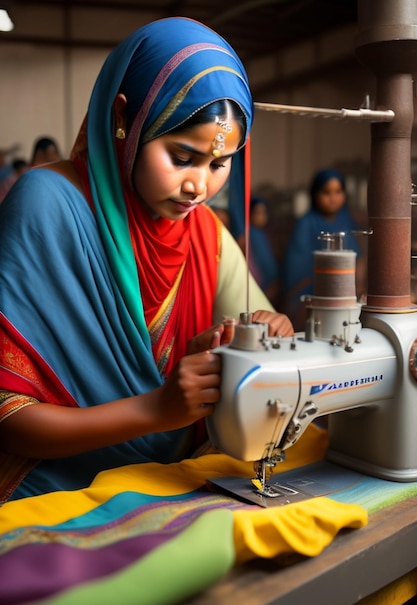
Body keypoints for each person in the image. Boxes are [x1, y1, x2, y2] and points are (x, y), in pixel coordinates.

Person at [0, 17, 293, 502]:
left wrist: (269, 332)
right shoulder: (46, 206)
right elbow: (9, 418)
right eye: (182, 157)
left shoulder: (204, 234)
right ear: (124, 119)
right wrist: (157, 410)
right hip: (52, 487)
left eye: (219, 164)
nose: (200, 186)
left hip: (173, 479)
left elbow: (268, 334)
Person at [282, 167, 365, 331]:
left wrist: (358, 284)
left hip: (345, 288)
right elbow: (296, 269)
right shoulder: (305, 224)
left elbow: (358, 257)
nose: (333, 198)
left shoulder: (346, 221)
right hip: (312, 289)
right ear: (315, 194)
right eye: (326, 192)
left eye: (338, 192)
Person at [240, 195, 281, 306]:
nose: (261, 217)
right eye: (258, 213)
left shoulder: (263, 233)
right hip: (261, 286)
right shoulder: (252, 234)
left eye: (264, 213)